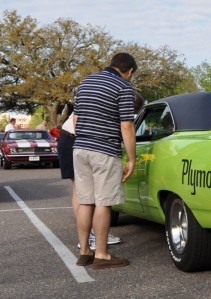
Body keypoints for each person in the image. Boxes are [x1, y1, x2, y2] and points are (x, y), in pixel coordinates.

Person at [72, 53, 137, 269]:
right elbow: (126, 125)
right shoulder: (123, 87)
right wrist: (131, 158)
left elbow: (76, 118)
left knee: (85, 201)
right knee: (103, 202)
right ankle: (102, 254)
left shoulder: (85, 82)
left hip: (80, 148)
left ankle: (84, 251)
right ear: (129, 71)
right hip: (104, 149)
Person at [58, 110, 122, 252]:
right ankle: (93, 236)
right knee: (86, 193)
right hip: (78, 139)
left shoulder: (89, 96)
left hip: (69, 138)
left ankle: (88, 239)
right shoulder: (114, 101)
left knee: (80, 191)